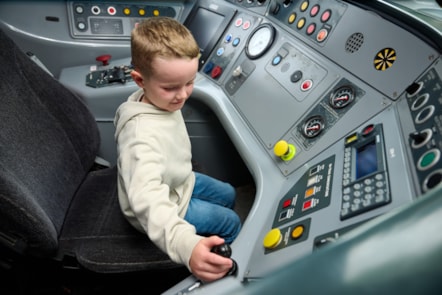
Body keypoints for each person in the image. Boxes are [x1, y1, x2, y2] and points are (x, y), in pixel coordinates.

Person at [114, 17, 241, 282]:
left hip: (179, 179)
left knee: (229, 193)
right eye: (171, 87)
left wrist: (171, 87)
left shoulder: (157, 99)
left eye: (189, 82)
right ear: (139, 80)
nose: (183, 95)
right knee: (230, 222)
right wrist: (185, 245)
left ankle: (206, 234)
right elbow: (148, 202)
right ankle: (223, 268)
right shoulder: (140, 137)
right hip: (164, 203)